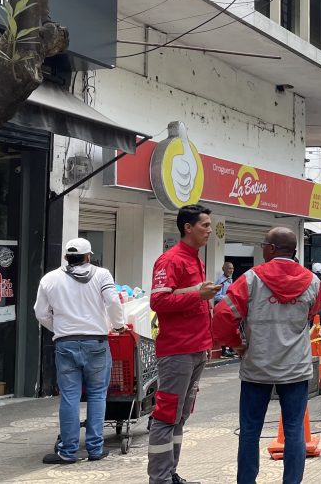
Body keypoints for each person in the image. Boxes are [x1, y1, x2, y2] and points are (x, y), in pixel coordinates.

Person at [212, 227, 321, 484]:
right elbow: (312, 313)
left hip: (257, 366)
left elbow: (222, 316)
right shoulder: (313, 283)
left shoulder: (250, 279)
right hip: (295, 368)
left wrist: (236, 344)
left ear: (272, 249)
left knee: (250, 431)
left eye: (264, 245)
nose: (262, 249)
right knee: (295, 431)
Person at [34, 238, 127, 464]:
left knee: (70, 397)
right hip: (96, 343)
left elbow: (40, 313)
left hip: (65, 344)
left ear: (66, 257)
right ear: (88, 256)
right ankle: (95, 449)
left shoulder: (50, 279)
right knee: (97, 395)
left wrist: (60, 329)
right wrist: (118, 325)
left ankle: (67, 452)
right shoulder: (102, 275)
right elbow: (113, 303)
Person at [148, 204, 221, 484]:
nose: (209, 231)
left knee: (180, 417)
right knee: (166, 416)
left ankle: (170, 473)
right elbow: (158, 301)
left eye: (210, 225)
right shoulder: (171, 260)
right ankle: (160, 479)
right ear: (187, 228)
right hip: (177, 351)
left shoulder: (196, 259)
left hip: (196, 349)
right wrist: (198, 296)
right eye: (204, 225)